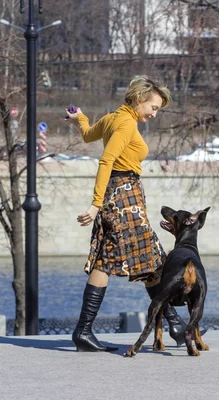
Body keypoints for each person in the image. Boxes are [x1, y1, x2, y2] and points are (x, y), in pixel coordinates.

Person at [66, 76, 188, 352]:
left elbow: (87, 135)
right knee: (149, 256)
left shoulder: (111, 118)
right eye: (153, 107)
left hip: (120, 195)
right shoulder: (124, 122)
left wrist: (80, 117)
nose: (155, 113)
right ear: (138, 99)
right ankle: (174, 322)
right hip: (124, 196)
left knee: (112, 260)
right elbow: (106, 159)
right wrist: (96, 203)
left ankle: (84, 331)